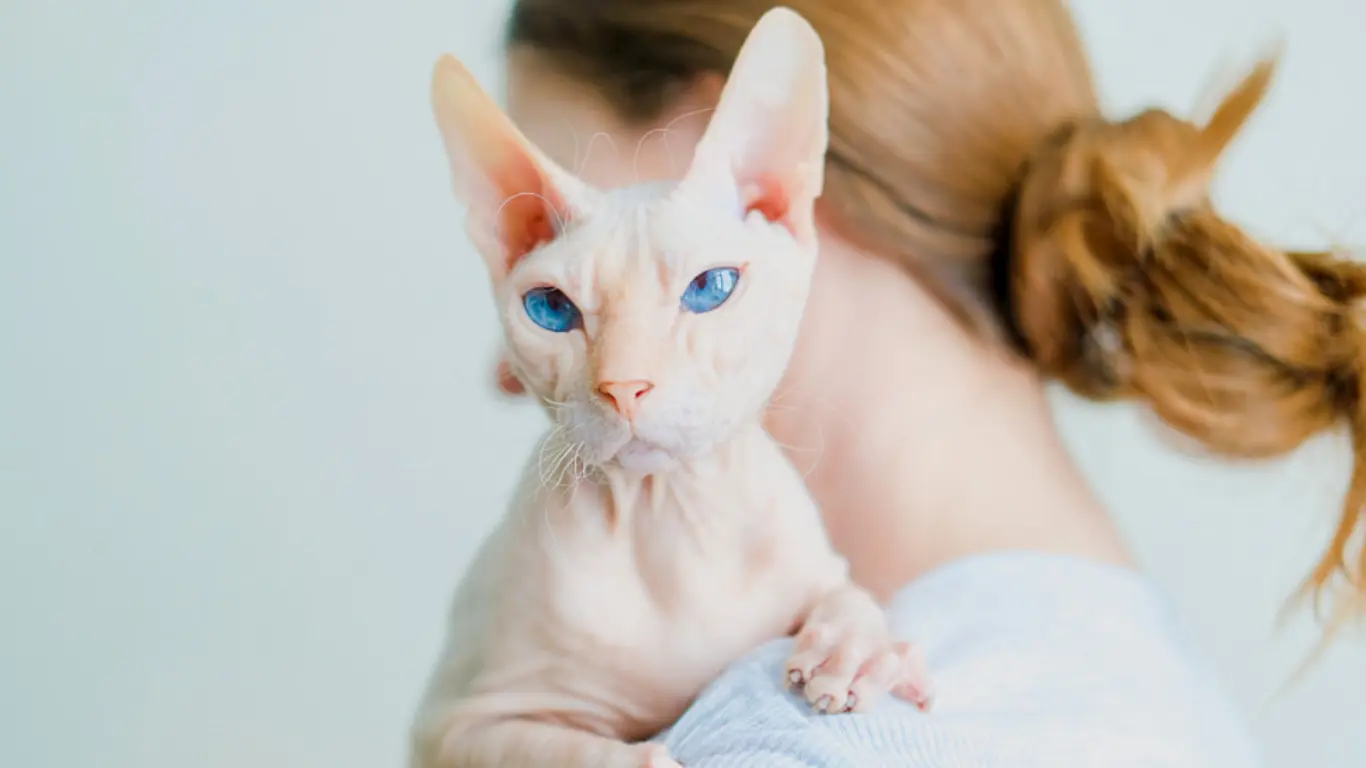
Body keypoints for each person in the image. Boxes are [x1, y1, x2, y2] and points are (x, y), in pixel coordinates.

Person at [484, 1, 1365, 764]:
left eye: (573, 273)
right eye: (546, 306)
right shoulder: (1183, 707)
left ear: (748, 164)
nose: (509, 378)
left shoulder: (795, 738)